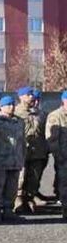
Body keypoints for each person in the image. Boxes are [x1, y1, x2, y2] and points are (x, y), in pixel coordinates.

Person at [0, 94, 26, 223]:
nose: (11, 107)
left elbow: (22, 142)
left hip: (15, 160)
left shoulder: (19, 121)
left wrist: (22, 158)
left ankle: (8, 211)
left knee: (12, 188)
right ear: (1, 107)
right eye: (8, 105)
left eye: (12, 104)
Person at [14, 87, 48, 213]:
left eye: (31, 95)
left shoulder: (39, 113)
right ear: (20, 97)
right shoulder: (16, 113)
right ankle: (17, 200)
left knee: (34, 177)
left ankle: (30, 198)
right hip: (21, 151)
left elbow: (45, 132)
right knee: (20, 177)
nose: (31, 97)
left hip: (37, 151)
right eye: (28, 95)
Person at [46, 92, 67, 221]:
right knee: (64, 184)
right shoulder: (56, 116)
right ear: (64, 101)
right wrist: (59, 156)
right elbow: (52, 140)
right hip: (64, 157)